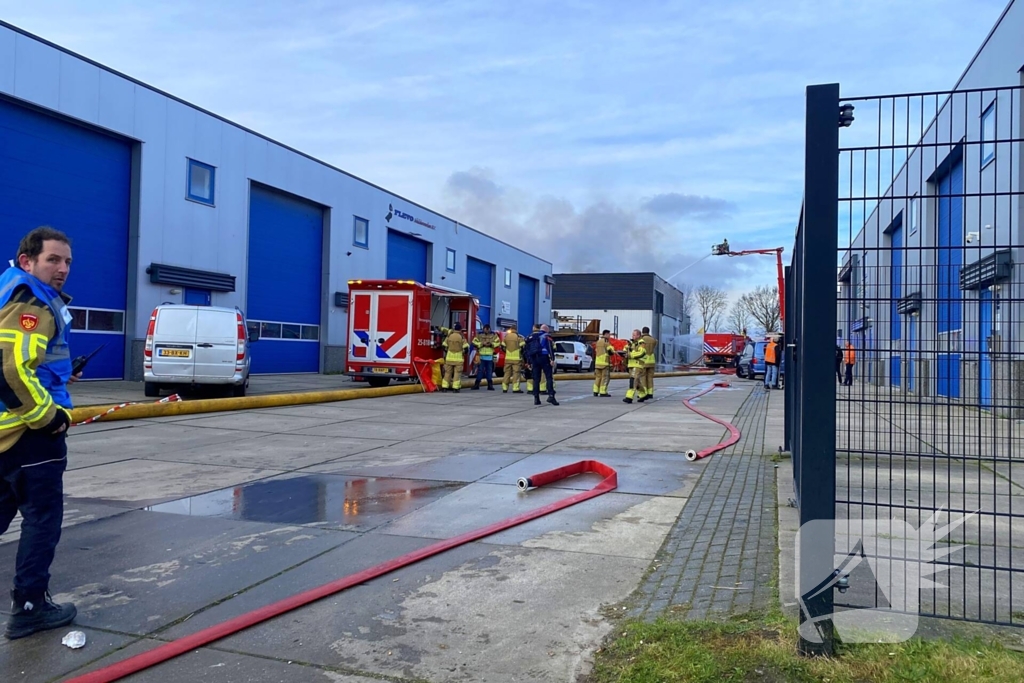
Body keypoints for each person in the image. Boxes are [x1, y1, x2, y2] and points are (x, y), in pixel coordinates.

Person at [0, 227, 79, 639]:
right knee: (41, 521)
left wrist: (58, 377)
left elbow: (27, 362)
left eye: (66, 261)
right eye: (53, 259)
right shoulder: (31, 301)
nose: (62, 268)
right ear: (27, 260)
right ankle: (29, 607)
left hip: (6, 432)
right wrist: (49, 417)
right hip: (29, 436)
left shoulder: (9, 290)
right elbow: (9, 369)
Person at [526, 324, 558, 406]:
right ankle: (551, 396)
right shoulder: (546, 336)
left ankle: (536, 398)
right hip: (544, 358)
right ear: (546, 330)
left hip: (534, 359)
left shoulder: (531, 336)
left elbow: (527, 350)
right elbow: (550, 348)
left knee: (536, 379)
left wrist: (529, 362)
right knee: (548, 377)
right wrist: (552, 359)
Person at [622, 329, 647, 404]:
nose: (632, 336)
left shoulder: (641, 343)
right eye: (632, 335)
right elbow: (625, 349)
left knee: (633, 381)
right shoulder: (631, 343)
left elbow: (642, 353)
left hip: (638, 365)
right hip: (631, 365)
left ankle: (629, 397)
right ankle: (643, 395)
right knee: (637, 382)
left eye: (634, 335)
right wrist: (624, 352)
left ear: (638, 335)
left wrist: (630, 355)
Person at [441, 323, 467, 392]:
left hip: (449, 358)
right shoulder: (461, 337)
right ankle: (455, 388)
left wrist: (447, 351)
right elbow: (466, 348)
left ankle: (444, 387)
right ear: (460, 329)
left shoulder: (449, 336)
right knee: (457, 373)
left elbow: (443, 345)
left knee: (447, 373)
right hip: (458, 359)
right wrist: (463, 352)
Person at [471, 324, 498, 391]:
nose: (486, 331)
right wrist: (482, 344)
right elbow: (474, 341)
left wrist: (491, 344)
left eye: (488, 330)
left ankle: (490, 385)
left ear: (489, 329)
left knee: (489, 371)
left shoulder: (494, 335)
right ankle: (477, 385)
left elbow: (498, 342)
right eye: (485, 330)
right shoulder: (479, 334)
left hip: (490, 356)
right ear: (483, 329)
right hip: (481, 356)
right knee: (480, 371)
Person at [500, 324, 524, 394]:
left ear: (511, 329)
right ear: (516, 329)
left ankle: (504, 388)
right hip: (516, 359)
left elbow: (502, 347)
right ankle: (515, 388)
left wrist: (507, 352)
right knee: (516, 373)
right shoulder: (518, 337)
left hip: (508, 358)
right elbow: (523, 347)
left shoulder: (506, 337)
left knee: (507, 373)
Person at [593, 330, 614, 397]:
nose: (609, 336)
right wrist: (613, 351)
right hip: (604, 363)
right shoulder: (606, 341)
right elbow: (610, 351)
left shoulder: (598, 341)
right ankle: (603, 391)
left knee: (598, 377)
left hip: (597, 363)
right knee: (605, 378)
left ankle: (595, 391)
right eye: (609, 334)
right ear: (606, 334)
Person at [640, 326, 658, 401]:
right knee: (650, 377)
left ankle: (644, 392)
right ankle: (650, 393)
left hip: (643, 361)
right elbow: (655, 344)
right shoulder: (653, 340)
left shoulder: (641, 340)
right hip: (652, 360)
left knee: (643, 377)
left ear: (642, 331)